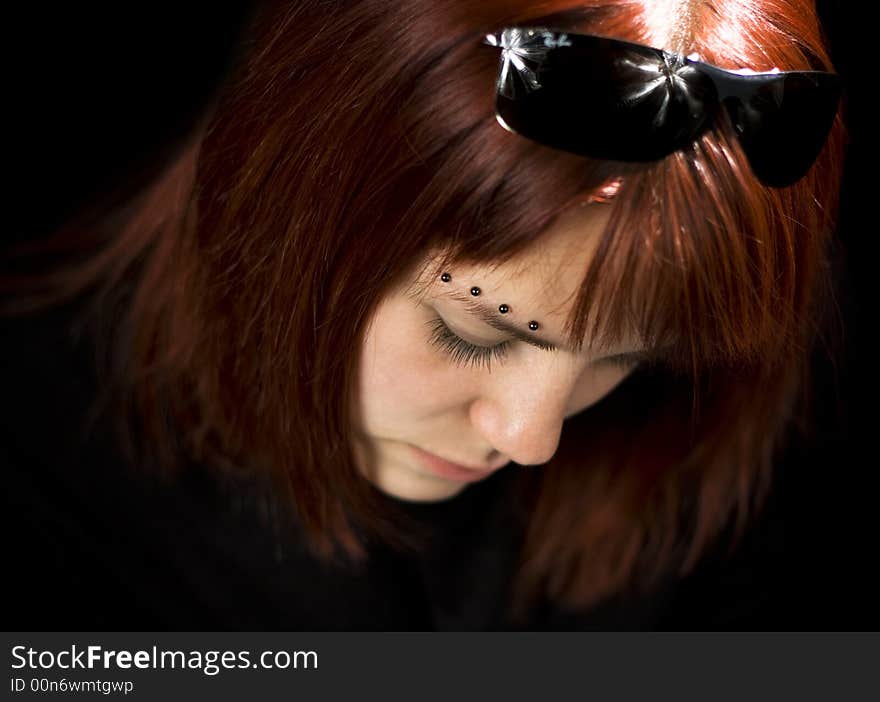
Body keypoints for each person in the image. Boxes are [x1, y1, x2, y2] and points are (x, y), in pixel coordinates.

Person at [1, 0, 848, 629]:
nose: (529, 437)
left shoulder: (706, 495)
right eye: (473, 330)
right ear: (293, 199)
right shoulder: (43, 488)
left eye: (627, 358)